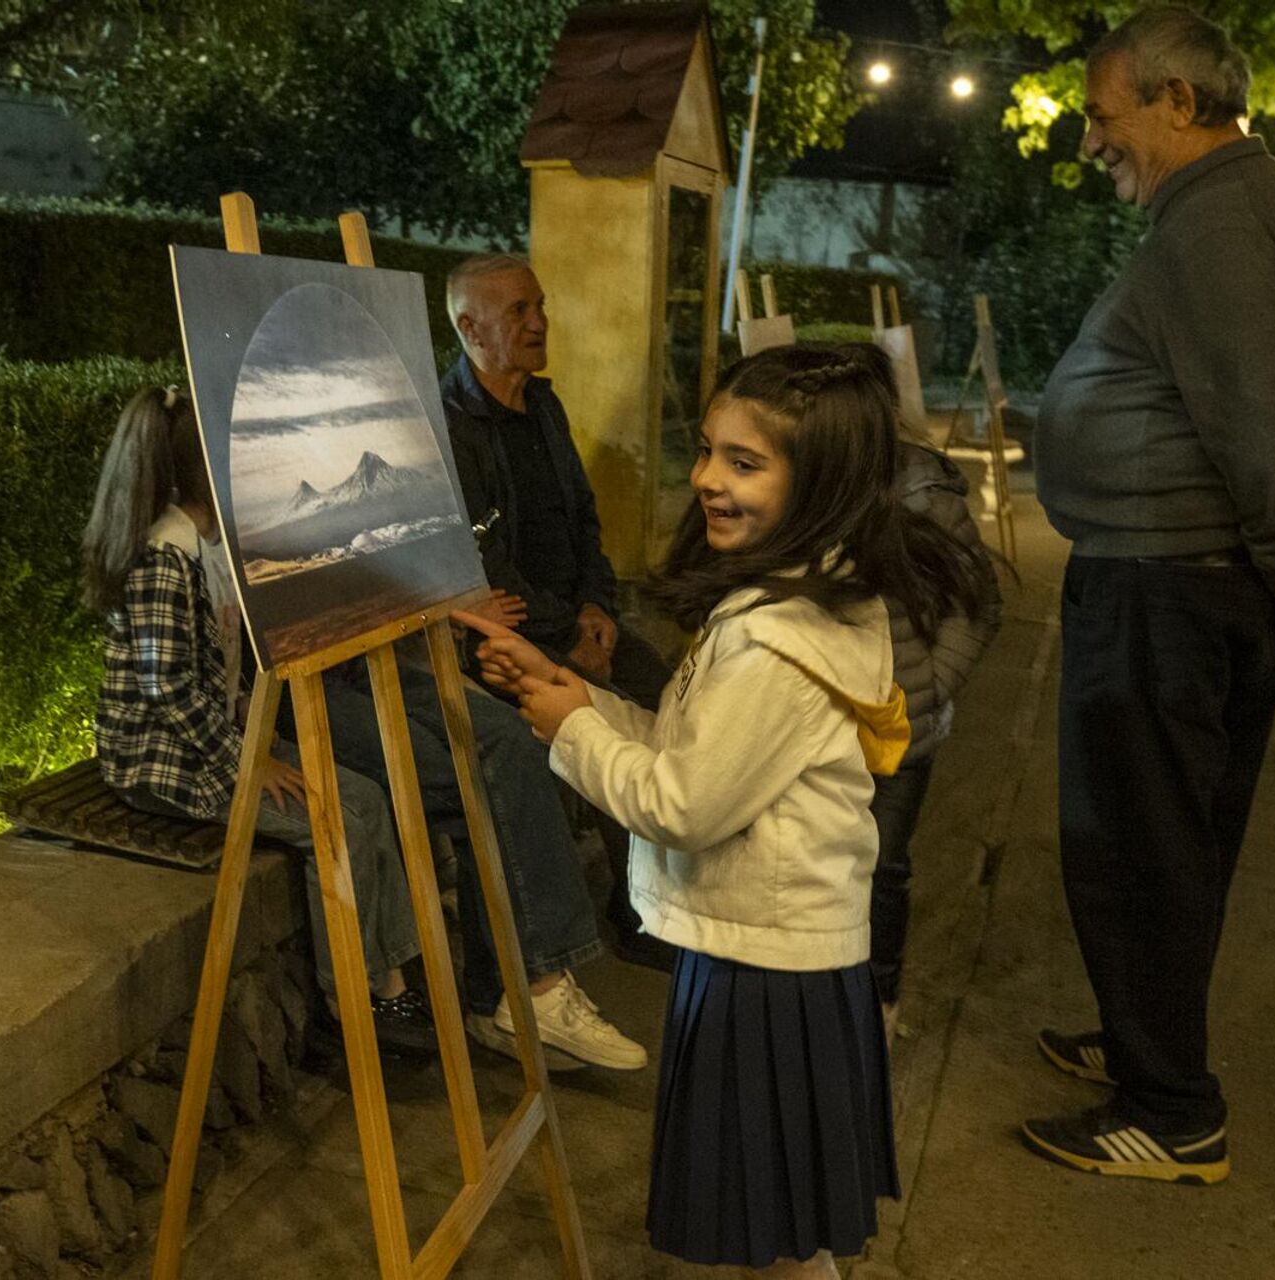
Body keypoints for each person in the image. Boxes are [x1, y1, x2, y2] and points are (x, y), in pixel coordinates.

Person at [458, 344, 987, 1279]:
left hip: (766, 967)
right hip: (762, 948)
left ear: (820, 483)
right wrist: (564, 691)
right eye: (707, 451)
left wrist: (571, 726)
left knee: (772, 1236)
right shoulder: (787, 601)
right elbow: (687, 746)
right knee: (784, 1234)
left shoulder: (783, 642)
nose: (706, 479)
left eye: (745, 464)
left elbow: (679, 802)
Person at [1024, 7, 1275, 1184]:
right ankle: (1144, 1040)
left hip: (1165, 588)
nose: (1089, 141)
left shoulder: (1218, 221)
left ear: (1177, 101)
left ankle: (1172, 1109)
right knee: (1177, 836)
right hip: (1202, 581)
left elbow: (1256, 413)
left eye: (1102, 112)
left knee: (1133, 843)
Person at [82, 387, 436, 1055]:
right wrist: (252, 763)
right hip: (163, 760)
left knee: (365, 799)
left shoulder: (208, 547)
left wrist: (257, 736)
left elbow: (220, 672)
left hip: (214, 740)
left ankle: (388, 982)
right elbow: (167, 688)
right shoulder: (167, 556)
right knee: (333, 822)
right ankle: (351, 998)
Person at [440, 252, 676, 967]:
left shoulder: (543, 405)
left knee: (668, 695)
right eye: (520, 312)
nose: (541, 322)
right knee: (601, 708)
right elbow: (486, 571)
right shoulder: (450, 423)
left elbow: (582, 518)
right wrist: (568, 635)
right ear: (469, 327)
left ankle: (664, 893)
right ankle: (640, 914)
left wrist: (599, 604)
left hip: (574, 619)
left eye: (539, 305)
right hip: (509, 638)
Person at [296, 658, 648, 1072]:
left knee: (512, 738)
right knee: (469, 786)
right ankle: (530, 990)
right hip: (295, 681)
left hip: (361, 658)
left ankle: (508, 998)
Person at [871, 441, 1002, 1037]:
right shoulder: (779, 471)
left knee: (881, 869)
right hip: (805, 731)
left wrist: (926, 688)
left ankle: (879, 1006)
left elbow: (975, 602)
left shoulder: (919, 488)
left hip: (898, 735)